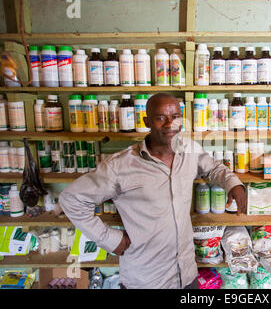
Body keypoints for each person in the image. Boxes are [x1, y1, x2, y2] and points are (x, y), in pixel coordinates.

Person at [59, 93, 247, 289]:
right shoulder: (120, 166)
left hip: (187, 275)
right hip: (145, 280)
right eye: (160, 118)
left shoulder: (190, 150)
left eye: (175, 116)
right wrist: (109, 239)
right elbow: (71, 199)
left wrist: (233, 183)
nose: (169, 124)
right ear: (146, 121)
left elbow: (214, 167)